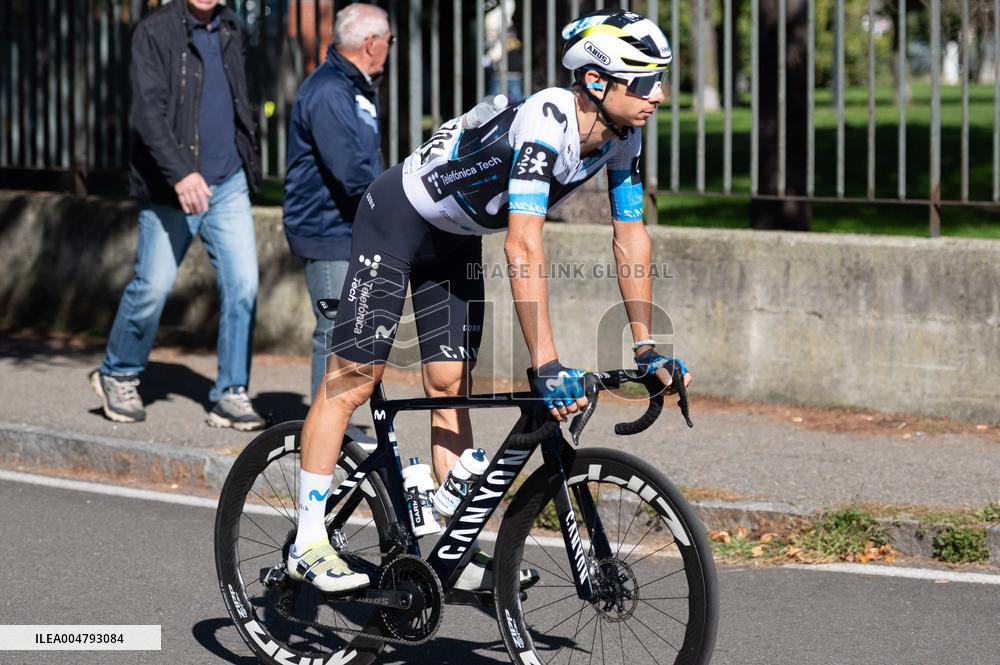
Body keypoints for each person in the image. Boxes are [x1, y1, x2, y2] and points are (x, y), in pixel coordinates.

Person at [287, 9, 692, 594]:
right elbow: (523, 244)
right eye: (645, 79)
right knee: (352, 378)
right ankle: (307, 540)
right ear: (599, 83)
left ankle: (452, 546)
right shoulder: (548, 118)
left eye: (660, 77)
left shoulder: (623, 136)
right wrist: (547, 364)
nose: (659, 93)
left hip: (455, 239)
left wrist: (649, 346)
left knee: (451, 383)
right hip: (397, 219)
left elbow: (630, 235)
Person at [89, 0, 266, 431]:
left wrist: (246, 154)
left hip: (228, 181)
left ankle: (230, 392)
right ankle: (119, 372)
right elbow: (148, 115)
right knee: (152, 286)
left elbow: (239, 98)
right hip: (172, 186)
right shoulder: (155, 32)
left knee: (243, 285)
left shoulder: (232, 28)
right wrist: (182, 172)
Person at [283, 3, 390, 407]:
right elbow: (350, 171)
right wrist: (393, 204)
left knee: (350, 329)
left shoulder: (353, 86)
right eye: (388, 39)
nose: (389, 47)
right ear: (370, 43)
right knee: (334, 329)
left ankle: (335, 427)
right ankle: (324, 431)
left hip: (347, 228)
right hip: (327, 230)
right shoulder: (330, 91)